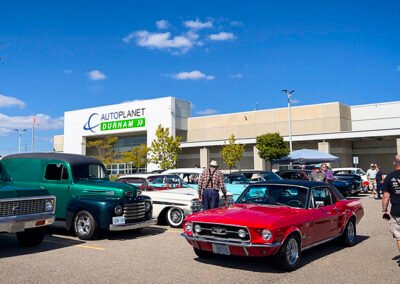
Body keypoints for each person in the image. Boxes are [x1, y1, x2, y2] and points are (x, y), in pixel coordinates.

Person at [382, 155, 400, 261]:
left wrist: (384, 210)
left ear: (394, 163)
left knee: (399, 236)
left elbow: (386, 196)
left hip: (397, 211)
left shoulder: (389, 177)